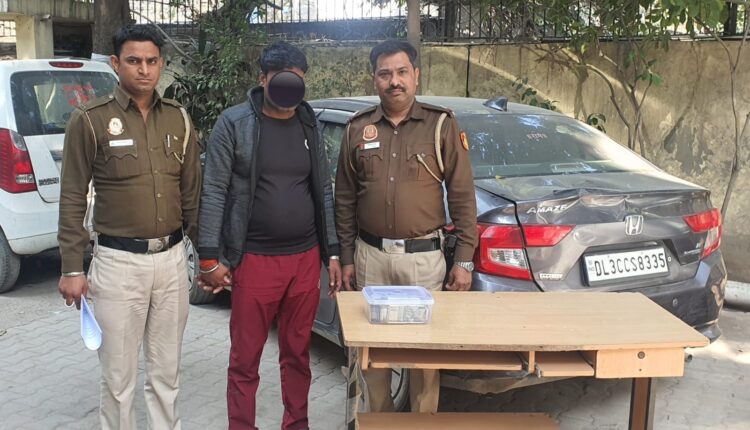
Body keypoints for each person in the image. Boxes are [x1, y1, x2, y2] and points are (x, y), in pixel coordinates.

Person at [57, 24, 201, 429]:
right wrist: (72, 267)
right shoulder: (90, 120)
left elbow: (192, 193)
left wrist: (205, 256)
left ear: (162, 64)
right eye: (134, 61)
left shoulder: (178, 118)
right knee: (118, 380)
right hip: (118, 265)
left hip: (172, 262)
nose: (144, 70)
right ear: (116, 63)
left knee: (166, 374)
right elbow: (72, 196)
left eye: (152, 61)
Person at [197, 41, 342, 430]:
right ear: (263, 79)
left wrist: (331, 252)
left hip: (304, 259)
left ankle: (297, 423)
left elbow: (323, 190)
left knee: (297, 355)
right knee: (245, 359)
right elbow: (214, 190)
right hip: (255, 260)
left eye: (298, 81)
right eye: (282, 80)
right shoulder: (234, 123)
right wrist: (209, 256)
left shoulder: (309, 123)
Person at [334, 39, 478, 413]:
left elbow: (462, 196)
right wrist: (346, 257)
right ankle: (380, 421)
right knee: (372, 356)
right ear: (374, 79)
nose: (394, 81)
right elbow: (345, 199)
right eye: (385, 74)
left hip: (423, 261)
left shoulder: (441, 125)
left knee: (424, 360)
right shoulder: (357, 128)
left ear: (416, 75)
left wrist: (464, 260)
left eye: (401, 72)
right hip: (371, 259)